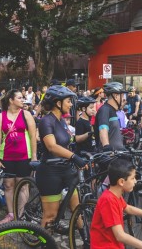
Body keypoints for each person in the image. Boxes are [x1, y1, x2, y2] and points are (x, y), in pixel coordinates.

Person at [35, 85, 86, 227]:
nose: (70, 105)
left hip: (66, 169)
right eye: (68, 101)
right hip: (50, 172)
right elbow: (52, 146)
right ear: (58, 103)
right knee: (51, 216)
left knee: (77, 211)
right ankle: (46, 243)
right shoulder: (46, 121)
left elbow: (68, 142)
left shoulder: (62, 121)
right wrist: (74, 157)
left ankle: (85, 242)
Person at [0, 89, 37, 224]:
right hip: (6, 157)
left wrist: (34, 156)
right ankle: (11, 214)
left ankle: (21, 215)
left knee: (23, 185)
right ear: (11, 100)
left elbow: (32, 136)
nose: (22, 100)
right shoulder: (1, 116)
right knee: (8, 185)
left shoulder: (26, 114)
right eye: (19, 98)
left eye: (22, 97)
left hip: (24, 156)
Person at [90, 157, 142, 249]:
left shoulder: (115, 194)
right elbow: (120, 236)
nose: (135, 181)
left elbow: (127, 208)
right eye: (133, 178)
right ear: (121, 182)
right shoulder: (108, 200)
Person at [94, 82, 128, 152]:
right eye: (122, 95)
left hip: (118, 154)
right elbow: (103, 129)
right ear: (116, 96)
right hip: (109, 158)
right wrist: (106, 147)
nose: (124, 99)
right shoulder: (105, 110)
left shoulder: (113, 110)